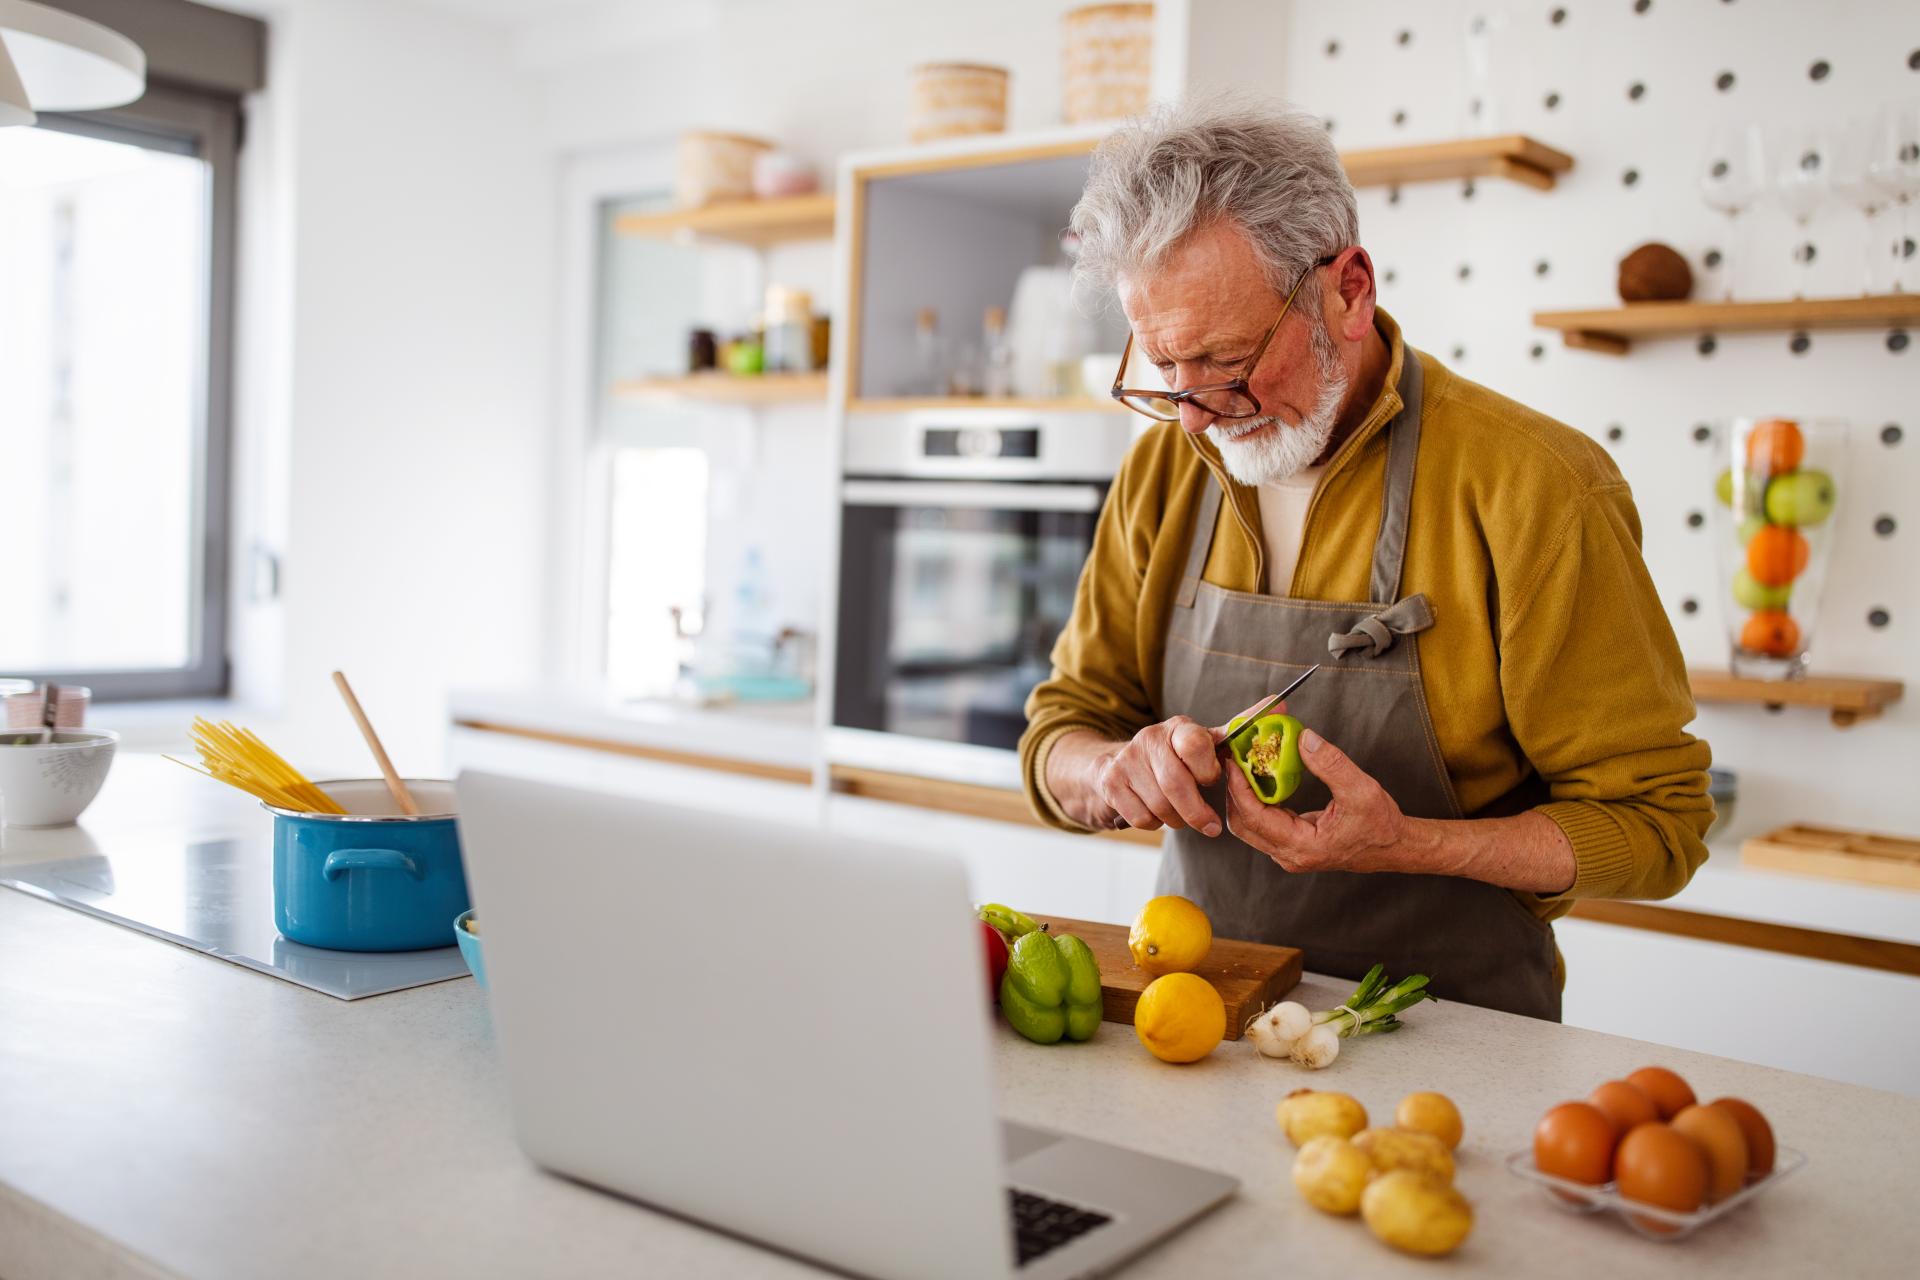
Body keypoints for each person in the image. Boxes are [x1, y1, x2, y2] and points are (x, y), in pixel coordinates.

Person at [1019, 98, 1712, 1020]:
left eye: (1226, 361)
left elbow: (1657, 823)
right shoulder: (1164, 467)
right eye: (1163, 368)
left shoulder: (1537, 486)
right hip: (1197, 1017)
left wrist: (1410, 844)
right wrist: (1107, 774)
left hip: (1459, 1039)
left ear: (1349, 288)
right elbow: (1062, 729)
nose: (1192, 416)